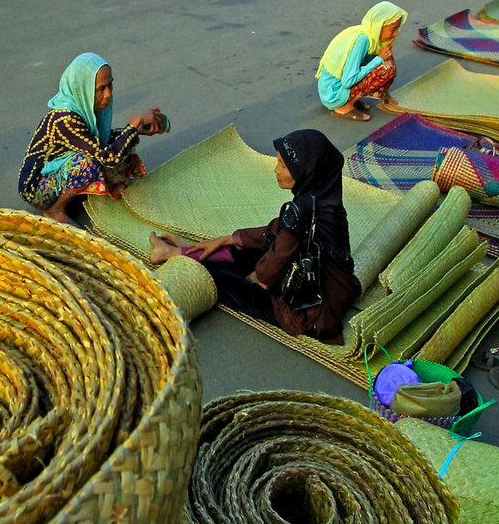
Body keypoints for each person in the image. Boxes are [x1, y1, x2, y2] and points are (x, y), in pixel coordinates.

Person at [149, 130, 361, 345]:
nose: (276, 170)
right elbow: (276, 230)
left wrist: (256, 279)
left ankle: (179, 256)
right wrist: (226, 239)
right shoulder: (325, 199)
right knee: (246, 250)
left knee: (223, 279)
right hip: (334, 289)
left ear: (305, 170)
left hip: (310, 312)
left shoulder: (301, 210)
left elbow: (276, 257)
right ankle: (180, 252)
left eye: (283, 165)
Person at [19, 53, 166, 224]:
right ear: (82, 88)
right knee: (91, 162)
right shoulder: (65, 120)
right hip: (36, 188)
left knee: (120, 143)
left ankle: (77, 194)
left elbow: (101, 141)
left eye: (110, 85)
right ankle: (54, 210)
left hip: (57, 172)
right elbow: (108, 157)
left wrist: (136, 130)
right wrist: (134, 125)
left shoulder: (82, 108)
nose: (108, 94)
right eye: (101, 89)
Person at [316, 1, 408, 121]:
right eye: (393, 29)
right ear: (379, 26)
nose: (396, 33)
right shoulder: (362, 40)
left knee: (387, 64)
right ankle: (343, 106)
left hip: (337, 89)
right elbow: (348, 81)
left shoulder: (372, 37)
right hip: (333, 94)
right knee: (385, 68)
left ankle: (354, 100)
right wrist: (379, 58)